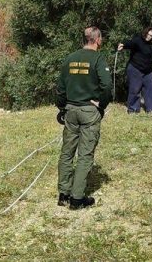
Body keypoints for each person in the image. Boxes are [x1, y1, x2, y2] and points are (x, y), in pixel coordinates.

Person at [56, 26, 112, 210]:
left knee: (67, 152)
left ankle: (63, 194)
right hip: (89, 111)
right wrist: (101, 105)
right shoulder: (97, 58)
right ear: (97, 40)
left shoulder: (70, 58)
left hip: (70, 110)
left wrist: (62, 107)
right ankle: (77, 198)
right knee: (85, 155)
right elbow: (107, 86)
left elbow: (61, 87)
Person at [117, 27, 152, 114]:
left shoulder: (151, 44)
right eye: (148, 34)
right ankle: (133, 109)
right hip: (135, 68)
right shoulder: (138, 40)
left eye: (151, 36)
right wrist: (123, 45)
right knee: (135, 89)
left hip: (147, 71)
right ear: (145, 33)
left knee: (151, 88)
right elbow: (130, 43)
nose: (149, 37)